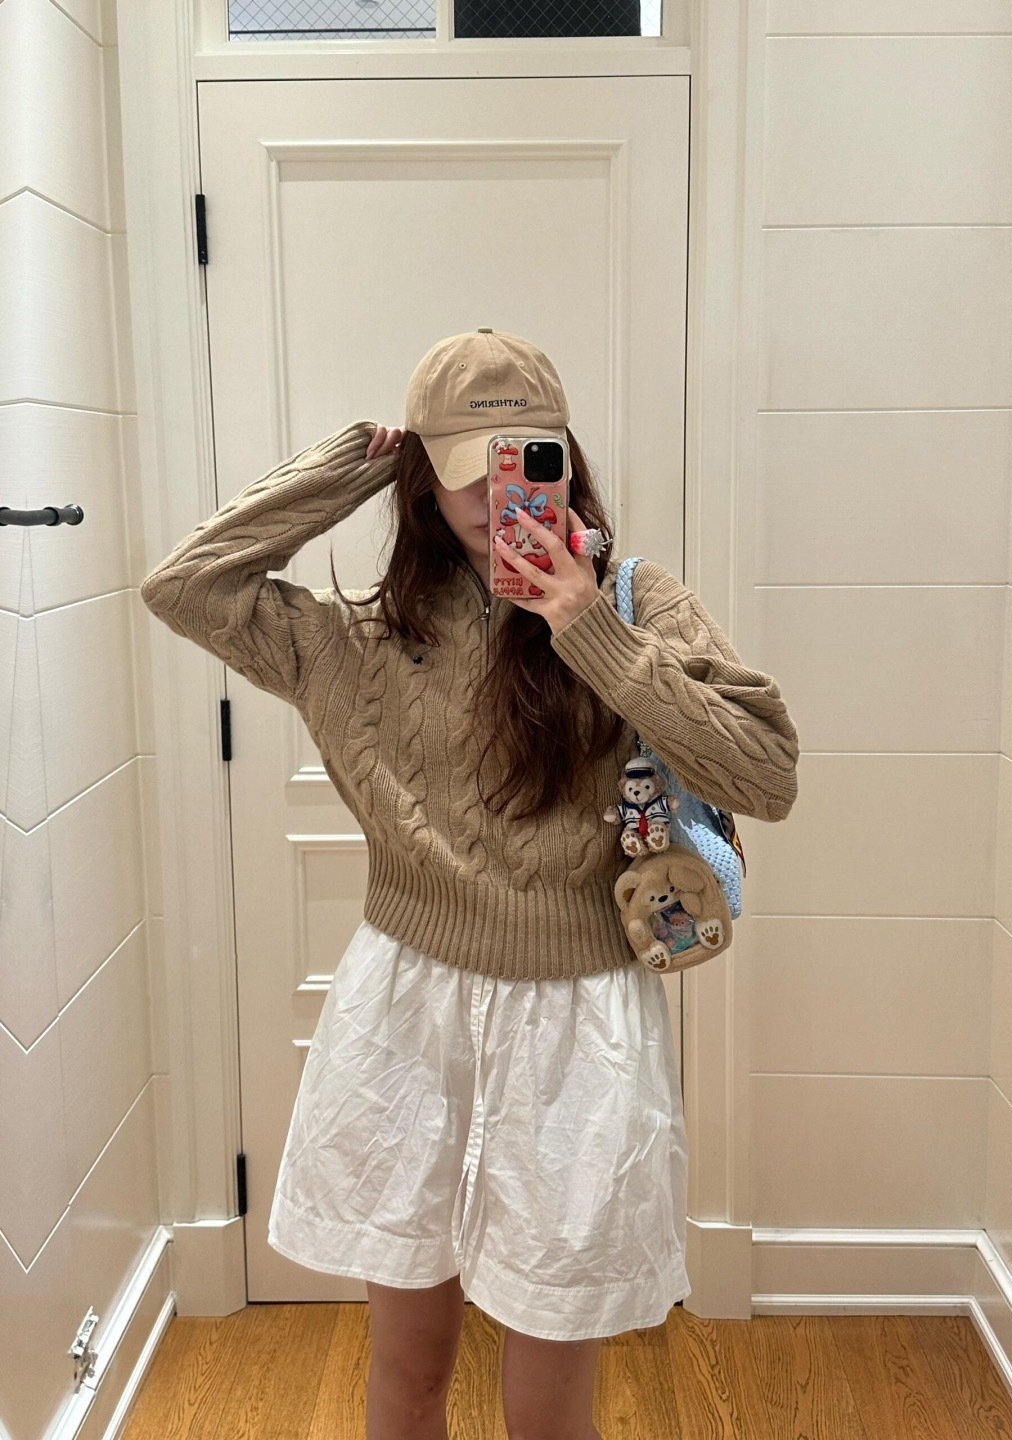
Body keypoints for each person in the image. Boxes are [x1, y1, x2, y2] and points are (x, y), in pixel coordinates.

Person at [140, 327, 800, 1440]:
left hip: (580, 1031)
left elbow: (766, 775)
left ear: (565, 460)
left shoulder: (636, 602)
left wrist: (588, 628)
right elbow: (184, 586)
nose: (503, 498)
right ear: (422, 482)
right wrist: (347, 465)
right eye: (468, 471)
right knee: (408, 1374)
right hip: (407, 1019)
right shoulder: (365, 638)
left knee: (549, 1400)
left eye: (529, 462)